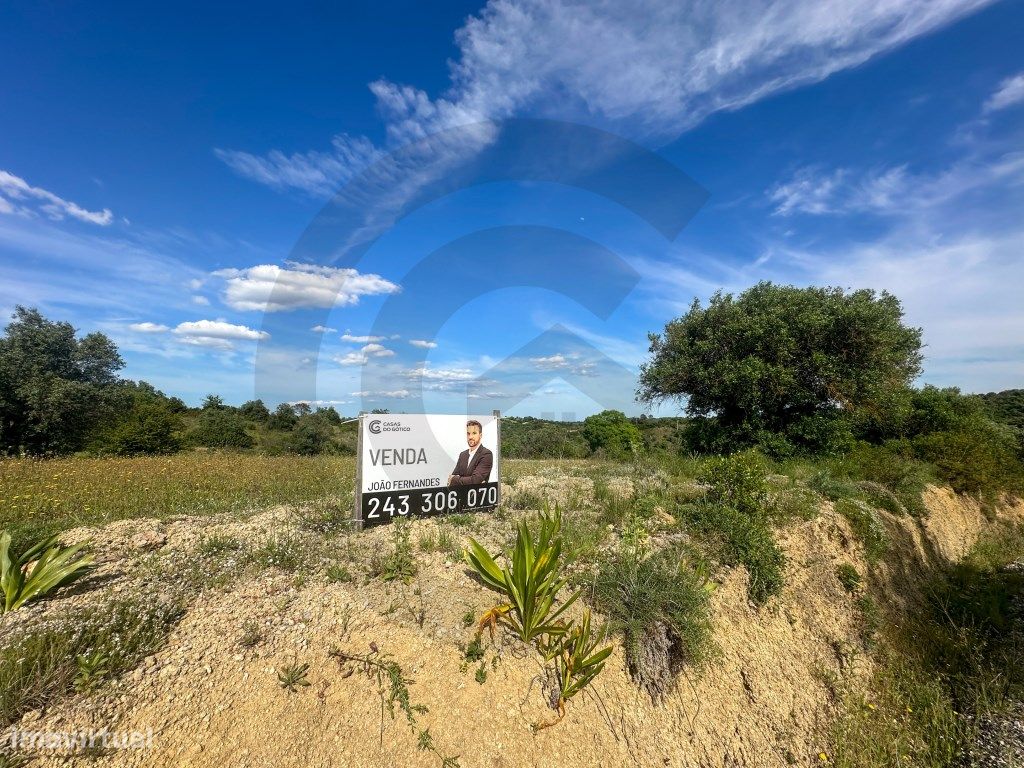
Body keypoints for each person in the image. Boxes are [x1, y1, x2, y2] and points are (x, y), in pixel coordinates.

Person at [447, 419, 493, 486]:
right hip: (460, 495)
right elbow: (450, 482)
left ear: (480, 435)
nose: (470, 437)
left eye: (474, 433)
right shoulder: (463, 455)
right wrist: (455, 480)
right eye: (468, 433)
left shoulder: (486, 454)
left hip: (476, 495)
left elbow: (475, 480)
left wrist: (454, 479)